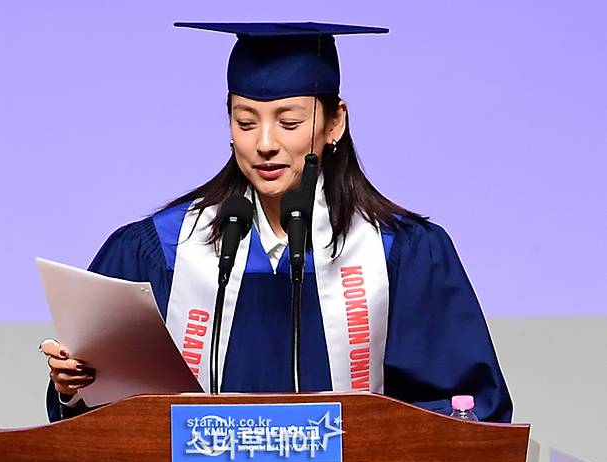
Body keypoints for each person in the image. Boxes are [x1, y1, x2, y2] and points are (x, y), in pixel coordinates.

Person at [42, 22, 512, 423]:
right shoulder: (160, 251)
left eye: (288, 123)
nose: (265, 143)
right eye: (246, 122)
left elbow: (469, 415)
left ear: (334, 123)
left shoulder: (402, 254)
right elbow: (99, 418)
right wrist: (73, 386)